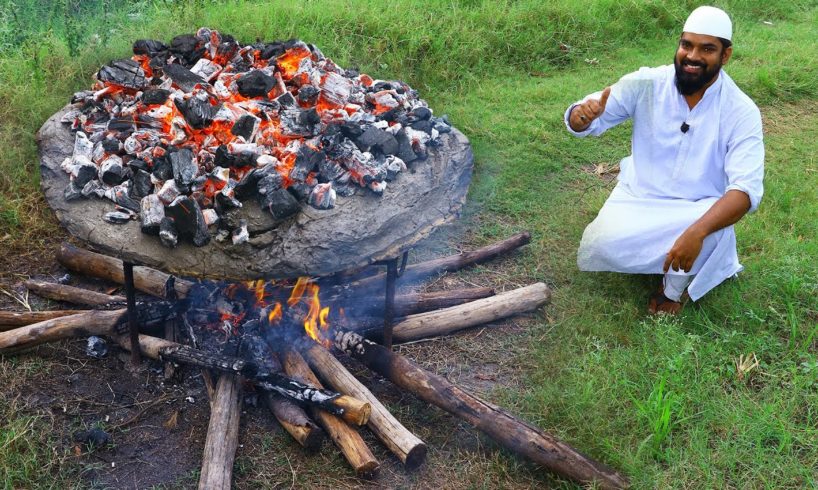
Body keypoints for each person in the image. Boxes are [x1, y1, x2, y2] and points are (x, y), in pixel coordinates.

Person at [564, 6, 764, 314]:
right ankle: (680, 254)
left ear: (725, 55)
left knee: (716, 226)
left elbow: (745, 190)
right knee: (603, 244)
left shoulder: (741, 110)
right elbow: (593, 112)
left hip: (697, 208)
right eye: (687, 45)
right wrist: (581, 117)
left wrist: (696, 231)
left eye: (707, 48)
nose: (693, 56)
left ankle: (671, 289)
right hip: (640, 199)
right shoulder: (648, 83)